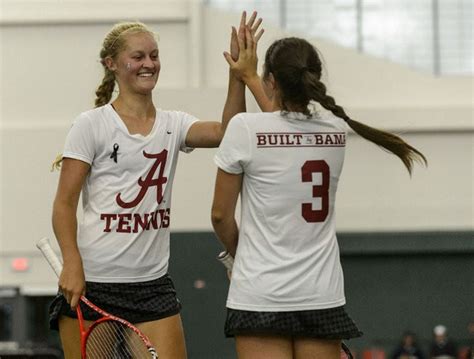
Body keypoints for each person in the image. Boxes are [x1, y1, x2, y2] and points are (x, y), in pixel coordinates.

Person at [49, 12, 263, 359]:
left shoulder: (173, 124)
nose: (149, 64)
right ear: (112, 64)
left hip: (152, 286)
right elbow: (63, 204)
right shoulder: (91, 125)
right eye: (138, 57)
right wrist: (71, 262)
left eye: (154, 55)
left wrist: (236, 76)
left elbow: (228, 133)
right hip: (93, 284)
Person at [211, 33, 427, 359]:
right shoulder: (335, 131)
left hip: (261, 292)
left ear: (273, 81)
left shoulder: (244, 129)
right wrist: (254, 77)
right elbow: (284, 125)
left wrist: (238, 257)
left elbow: (219, 216)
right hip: (319, 294)